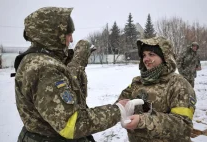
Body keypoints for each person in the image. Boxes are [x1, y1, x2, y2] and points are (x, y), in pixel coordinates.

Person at [15, 7, 127, 142]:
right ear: (52, 35)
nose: (71, 39)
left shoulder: (36, 60)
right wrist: (118, 110)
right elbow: (72, 124)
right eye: (68, 34)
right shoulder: (45, 68)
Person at [116, 37, 196, 142]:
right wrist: (121, 109)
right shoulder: (138, 82)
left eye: (151, 54)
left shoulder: (178, 84)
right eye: (144, 55)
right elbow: (120, 103)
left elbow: (183, 126)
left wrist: (143, 121)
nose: (146, 59)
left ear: (164, 57)